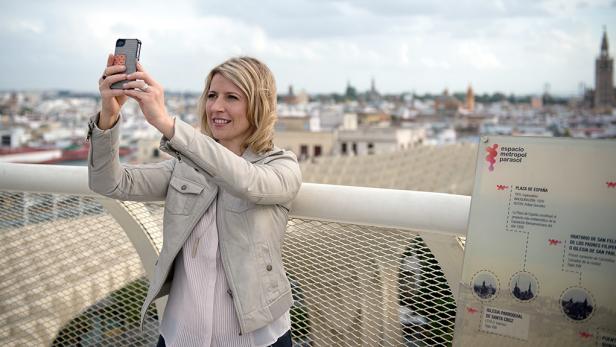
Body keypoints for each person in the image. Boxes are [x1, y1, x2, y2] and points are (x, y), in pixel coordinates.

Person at [88, 55, 302, 347]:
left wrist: (166, 123)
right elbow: (109, 182)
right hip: (181, 334)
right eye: (212, 95)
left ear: (258, 105)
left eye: (232, 97)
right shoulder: (185, 166)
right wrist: (108, 116)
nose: (216, 106)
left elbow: (247, 182)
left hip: (256, 337)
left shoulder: (281, 166)